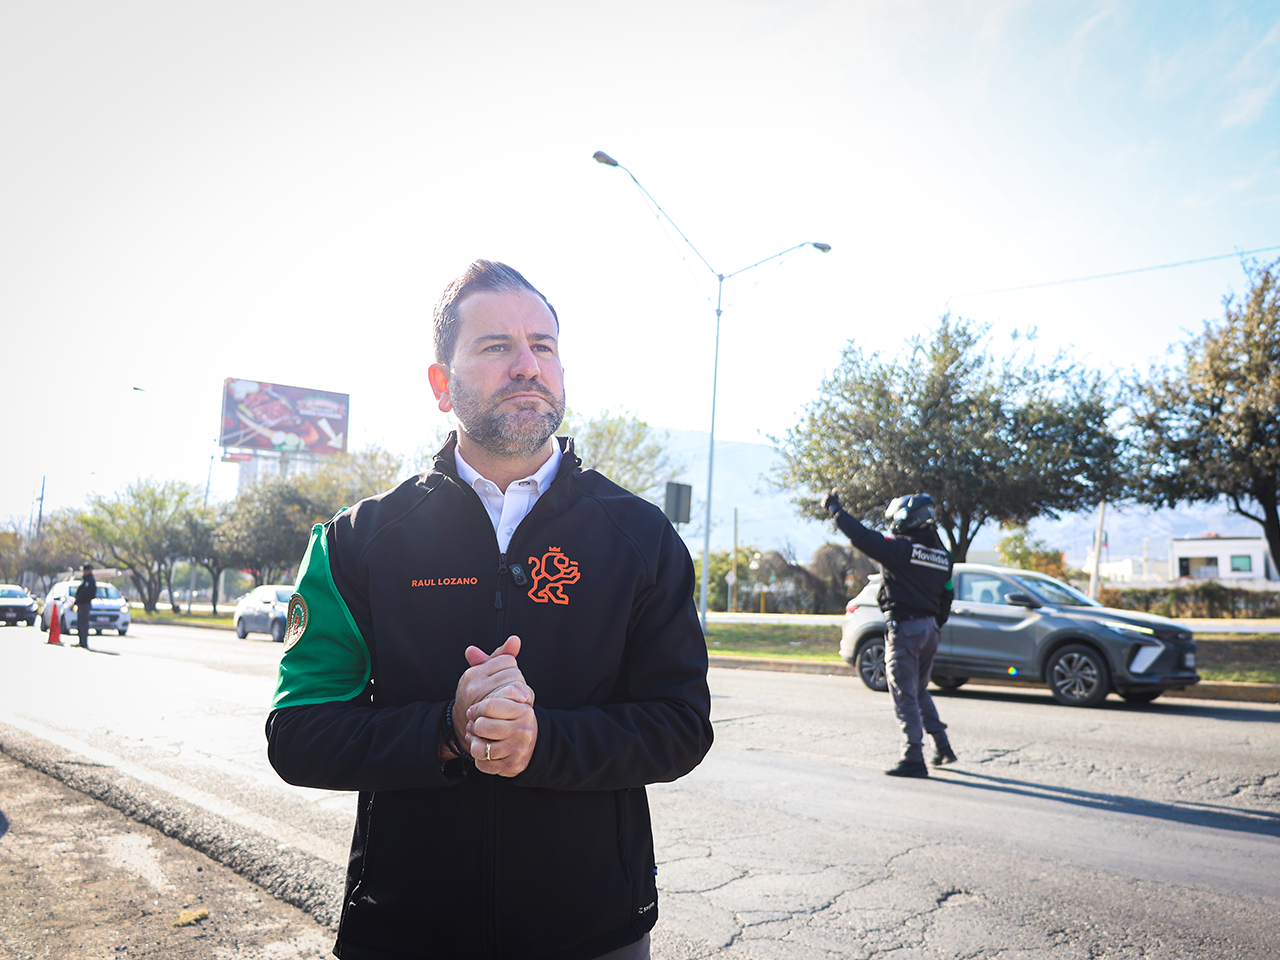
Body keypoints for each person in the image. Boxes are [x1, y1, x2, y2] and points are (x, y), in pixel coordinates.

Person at [265, 260, 714, 960]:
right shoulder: (358, 542)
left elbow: (681, 726)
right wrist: (446, 729)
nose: (527, 365)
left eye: (544, 345)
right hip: (406, 931)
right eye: (496, 346)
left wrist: (541, 743)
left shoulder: (641, 536)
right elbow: (299, 734)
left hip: (596, 932)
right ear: (441, 386)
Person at [824, 489, 955, 778]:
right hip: (930, 631)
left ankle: (913, 757)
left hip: (906, 630)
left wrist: (836, 510)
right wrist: (932, 624)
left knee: (903, 693)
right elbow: (948, 595)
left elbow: (862, 536)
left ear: (907, 518)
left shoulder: (902, 550)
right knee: (919, 690)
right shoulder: (943, 556)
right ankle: (942, 746)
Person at [74, 564, 97, 650]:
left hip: (85, 604)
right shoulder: (85, 580)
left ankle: (84, 642)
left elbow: (86, 593)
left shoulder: (90, 581)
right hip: (81, 604)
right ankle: (81, 641)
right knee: (80, 623)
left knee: (83, 623)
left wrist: (78, 600)